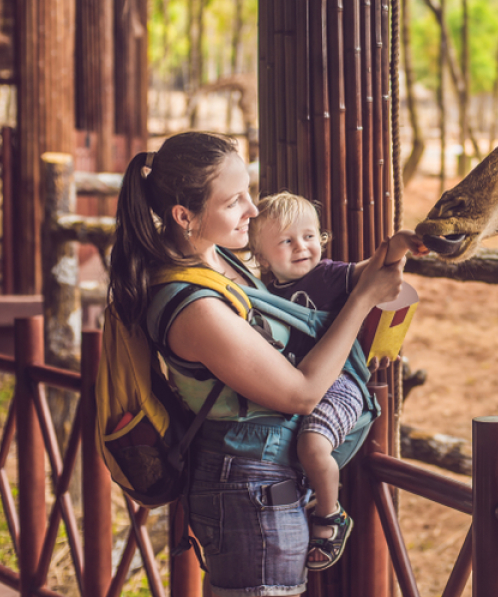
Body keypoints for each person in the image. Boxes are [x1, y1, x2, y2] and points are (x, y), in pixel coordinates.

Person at [107, 132, 404, 596]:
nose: (252, 210)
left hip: (266, 476)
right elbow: (301, 394)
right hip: (249, 488)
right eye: (234, 201)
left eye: (250, 191)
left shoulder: (219, 258)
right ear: (184, 215)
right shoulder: (192, 305)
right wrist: (364, 300)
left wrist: (384, 261)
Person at [247, 193, 426, 570]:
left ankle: (331, 516)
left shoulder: (329, 275)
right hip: (295, 384)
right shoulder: (262, 293)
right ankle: (309, 493)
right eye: (287, 241)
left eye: (310, 236)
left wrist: (400, 243)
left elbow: (376, 265)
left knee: (312, 447)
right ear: (261, 257)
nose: (302, 247)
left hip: (340, 382)